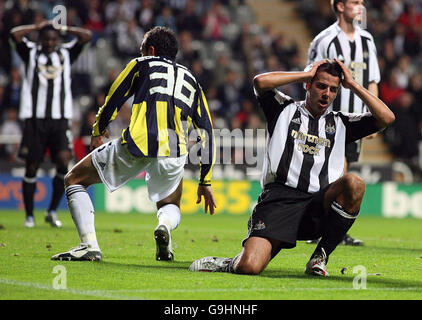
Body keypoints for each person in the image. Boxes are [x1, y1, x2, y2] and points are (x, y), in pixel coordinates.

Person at [189, 59, 394, 276]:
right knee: (249, 266)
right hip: (280, 200)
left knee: (355, 183)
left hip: (318, 205)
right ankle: (229, 263)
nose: (326, 93)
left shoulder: (341, 122)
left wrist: (352, 85)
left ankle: (320, 256)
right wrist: (305, 74)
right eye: (320, 86)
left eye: (333, 89)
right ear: (308, 85)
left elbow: (387, 117)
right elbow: (260, 82)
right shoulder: (283, 109)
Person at [51, 26, 216, 262]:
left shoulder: (141, 64)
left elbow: (114, 97)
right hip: (174, 150)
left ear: (150, 49)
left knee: (73, 179)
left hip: (138, 142)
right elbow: (206, 131)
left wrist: (98, 130)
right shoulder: (192, 80)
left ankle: (89, 246)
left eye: (142, 49)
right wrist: (205, 180)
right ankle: (165, 228)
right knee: (170, 202)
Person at [306, 0, 381, 246]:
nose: (360, 6)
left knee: (343, 173)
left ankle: (327, 226)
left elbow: (372, 80)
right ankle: (327, 227)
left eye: (361, 2)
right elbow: (311, 77)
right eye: (354, 2)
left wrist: (373, 116)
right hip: (331, 120)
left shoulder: (367, 40)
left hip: (357, 119)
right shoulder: (325, 40)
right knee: (336, 172)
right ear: (339, 6)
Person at [9, 21, 92, 228]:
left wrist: (62, 29)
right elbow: (15, 34)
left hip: (60, 118)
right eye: (46, 38)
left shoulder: (65, 53)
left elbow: (86, 36)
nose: (49, 42)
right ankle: (29, 215)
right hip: (35, 119)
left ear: (58, 40)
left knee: (63, 161)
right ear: (40, 39)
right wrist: (38, 26)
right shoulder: (30, 51)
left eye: (53, 39)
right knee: (32, 165)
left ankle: (52, 210)